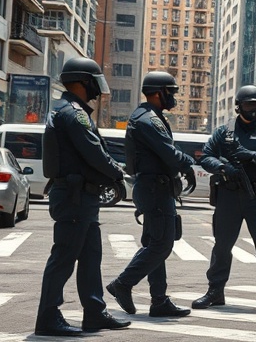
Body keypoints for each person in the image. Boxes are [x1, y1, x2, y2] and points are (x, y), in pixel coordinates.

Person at [35, 57, 130, 336]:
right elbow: (93, 152)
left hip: (82, 197)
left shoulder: (69, 110)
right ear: (83, 82)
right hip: (75, 197)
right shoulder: (73, 113)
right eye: (93, 83)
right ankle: (48, 317)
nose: (96, 90)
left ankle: (94, 312)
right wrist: (117, 172)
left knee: (90, 257)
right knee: (64, 258)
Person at [192, 85, 256, 314]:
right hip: (229, 195)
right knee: (222, 246)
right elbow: (206, 156)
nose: (253, 110)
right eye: (249, 105)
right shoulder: (224, 131)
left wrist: (252, 156)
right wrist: (223, 167)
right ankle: (215, 290)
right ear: (239, 106)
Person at [106, 71, 196, 318]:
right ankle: (123, 284)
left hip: (156, 187)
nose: (173, 97)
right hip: (155, 189)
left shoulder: (149, 117)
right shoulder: (148, 119)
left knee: (156, 243)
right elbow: (168, 152)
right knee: (161, 245)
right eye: (171, 92)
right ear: (158, 93)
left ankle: (159, 301)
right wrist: (188, 165)